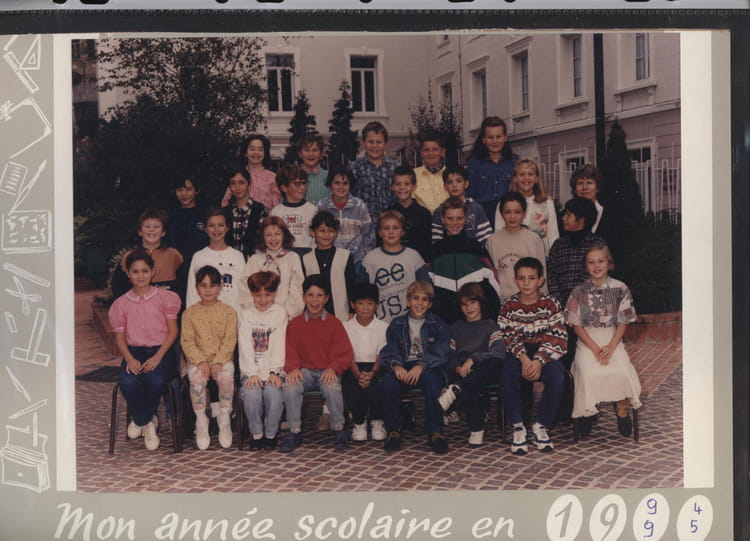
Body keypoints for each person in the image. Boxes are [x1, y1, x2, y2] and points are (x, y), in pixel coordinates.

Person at [564, 246, 641, 438]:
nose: (596, 266)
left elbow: (623, 321)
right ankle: (587, 412)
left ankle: (621, 409)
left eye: (601, 261)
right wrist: (595, 349)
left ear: (608, 263)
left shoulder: (620, 288)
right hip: (587, 343)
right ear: (585, 266)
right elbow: (575, 325)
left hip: (612, 341)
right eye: (591, 262)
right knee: (588, 373)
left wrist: (611, 346)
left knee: (621, 371)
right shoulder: (578, 291)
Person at [108, 249, 181, 451]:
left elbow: (173, 331)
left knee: (155, 380)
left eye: (145, 271)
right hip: (134, 352)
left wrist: (158, 357)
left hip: (162, 352)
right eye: (135, 271)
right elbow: (119, 337)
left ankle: (140, 419)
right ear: (128, 274)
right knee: (128, 382)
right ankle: (147, 421)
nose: (140, 276)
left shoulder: (166, 298)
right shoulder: (121, 304)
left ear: (153, 272)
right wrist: (129, 359)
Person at [497, 257, 567, 455]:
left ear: (540, 280)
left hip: (545, 350)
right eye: (521, 278)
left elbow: (557, 336)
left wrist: (539, 361)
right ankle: (518, 426)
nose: (526, 283)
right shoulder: (508, 306)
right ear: (515, 280)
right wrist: (524, 358)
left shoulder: (551, 304)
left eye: (531, 278)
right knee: (507, 376)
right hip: (519, 352)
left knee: (557, 376)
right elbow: (508, 336)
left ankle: (542, 425)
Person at [279, 275, 354, 452]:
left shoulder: (335, 324)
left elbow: (344, 352)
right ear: (303, 297)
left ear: (326, 298)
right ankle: (294, 431)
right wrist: (293, 368)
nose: (314, 300)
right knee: (290, 386)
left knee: (332, 387)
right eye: (310, 295)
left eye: (319, 295)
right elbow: (289, 349)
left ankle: (339, 429)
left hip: (327, 371)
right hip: (304, 371)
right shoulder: (295, 324)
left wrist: (333, 368)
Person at [378, 281, 450, 454]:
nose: (420, 303)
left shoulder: (438, 324)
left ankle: (435, 431)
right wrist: (396, 365)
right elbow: (390, 349)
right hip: (403, 364)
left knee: (433, 382)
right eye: (415, 298)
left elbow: (441, 352)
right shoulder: (397, 324)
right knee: (387, 382)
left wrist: (422, 365)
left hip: (428, 366)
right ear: (408, 301)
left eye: (425, 299)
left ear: (430, 304)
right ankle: (393, 430)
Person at [438, 282, 505, 447]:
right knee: (469, 383)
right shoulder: (455, 328)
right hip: (463, 371)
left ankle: (457, 392)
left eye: (473, 302)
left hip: (486, 370)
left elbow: (498, 352)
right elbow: (449, 354)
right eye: (464, 304)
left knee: (483, 368)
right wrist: (457, 367)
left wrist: (474, 359)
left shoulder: (491, 326)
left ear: (481, 303)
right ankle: (476, 427)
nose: (469, 308)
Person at [181, 265, 238, 450]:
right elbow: (187, 342)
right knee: (197, 378)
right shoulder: (189, 313)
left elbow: (230, 340)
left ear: (220, 287)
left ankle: (224, 418)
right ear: (197, 287)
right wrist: (201, 361)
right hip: (198, 361)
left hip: (223, 360)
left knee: (226, 377)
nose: (208, 290)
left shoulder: (229, 312)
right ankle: (201, 420)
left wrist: (219, 361)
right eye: (203, 285)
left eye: (212, 285)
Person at [429, 196, 501, 325]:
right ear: (442, 219)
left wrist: (489, 319)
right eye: (450, 218)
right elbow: (428, 290)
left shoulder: (476, 248)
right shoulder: (434, 251)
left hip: (475, 321)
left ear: (466, 219)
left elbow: (492, 287)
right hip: (444, 323)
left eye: (459, 218)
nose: (455, 222)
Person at [238, 271, 288, 450]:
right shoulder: (245, 314)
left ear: (274, 293)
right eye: (258, 295)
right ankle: (257, 434)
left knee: (274, 393)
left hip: (274, 370)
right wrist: (252, 373)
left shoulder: (280, 313)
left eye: (267, 295)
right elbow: (244, 345)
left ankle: (271, 434)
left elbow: (279, 344)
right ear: (251, 294)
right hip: (251, 370)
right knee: (251, 393)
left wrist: (274, 371)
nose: (263, 300)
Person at [362, 210, 429, 322]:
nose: (391, 232)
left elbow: (425, 289)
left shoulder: (414, 257)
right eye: (386, 228)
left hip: (409, 320)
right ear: (379, 232)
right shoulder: (370, 259)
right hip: (381, 321)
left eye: (396, 228)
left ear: (403, 231)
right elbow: (363, 293)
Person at [342, 283, 389, 442]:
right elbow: (347, 354)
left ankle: (377, 420)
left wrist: (371, 373)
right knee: (351, 384)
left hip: (376, 367)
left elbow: (382, 355)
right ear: (352, 304)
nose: (365, 308)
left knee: (381, 382)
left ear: (377, 305)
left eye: (370, 304)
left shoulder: (383, 327)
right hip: (353, 367)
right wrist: (358, 375)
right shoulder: (345, 327)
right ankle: (359, 422)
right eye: (360, 303)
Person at [485, 192, 548, 302]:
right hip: (501, 301)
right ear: (501, 214)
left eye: (517, 212)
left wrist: (543, 301)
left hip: (529, 301)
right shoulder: (492, 241)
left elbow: (542, 273)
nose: (512, 217)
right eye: (508, 212)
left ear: (524, 213)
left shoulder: (533, 239)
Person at [239, 216, 304, 318]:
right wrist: (257, 310)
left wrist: (284, 313)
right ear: (262, 237)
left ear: (284, 235)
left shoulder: (292, 258)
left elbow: (296, 290)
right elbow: (245, 289)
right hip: (257, 315)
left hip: (284, 316)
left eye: (277, 234)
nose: (273, 238)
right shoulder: (255, 259)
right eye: (268, 235)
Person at [547, 197, 607, 307]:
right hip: (561, 307)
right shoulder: (558, 245)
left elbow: (598, 277)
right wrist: (561, 304)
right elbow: (552, 277)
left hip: (589, 306)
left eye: (568, 215)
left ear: (581, 220)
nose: (563, 218)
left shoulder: (597, 244)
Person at [113, 208, 184, 299]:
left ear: (163, 232)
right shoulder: (129, 257)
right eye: (147, 226)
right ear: (140, 231)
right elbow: (118, 287)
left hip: (167, 304)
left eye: (156, 227)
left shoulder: (174, 255)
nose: (151, 230)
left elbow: (183, 283)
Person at [185, 208, 245, 312]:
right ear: (205, 229)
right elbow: (191, 292)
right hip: (205, 316)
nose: (216, 229)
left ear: (227, 228)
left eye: (221, 225)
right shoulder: (199, 256)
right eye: (211, 225)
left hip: (232, 315)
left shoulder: (237, 256)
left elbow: (244, 291)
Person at [496, 158, 559, 254]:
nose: (526, 178)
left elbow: (553, 234)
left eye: (530, 174)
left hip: (541, 256)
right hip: (513, 255)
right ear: (515, 179)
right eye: (522, 174)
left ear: (536, 178)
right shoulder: (504, 203)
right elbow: (499, 233)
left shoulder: (547, 202)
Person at [302, 210, 357, 321]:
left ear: (336, 233)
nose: (326, 235)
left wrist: (352, 311)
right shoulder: (305, 259)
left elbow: (351, 285)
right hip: (315, 314)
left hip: (341, 313)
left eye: (330, 231)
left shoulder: (345, 256)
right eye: (322, 230)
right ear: (312, 232)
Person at [317, 165, 375, 266]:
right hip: (329, 260)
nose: (341, 187)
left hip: (357, 260)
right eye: (337, 183)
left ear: (350, 185)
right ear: (330, 185)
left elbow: (368, 235)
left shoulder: (360, 206)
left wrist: (367, 260)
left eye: (345, 183)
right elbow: (316, 234)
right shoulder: (322, 206)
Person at [467, 116, 519, 228]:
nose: (495, 141)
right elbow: (469, 195)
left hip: (509, 219)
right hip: (483, 220)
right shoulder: (474, 164)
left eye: (498, 136)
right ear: (484, 140)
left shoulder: (515, 162)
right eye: (490, 137)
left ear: (505, 138)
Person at [164, 175, 208, 297]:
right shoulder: (170, 215)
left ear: (197, 191)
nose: (184, 194)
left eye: (188, 189)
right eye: (180, 190)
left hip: (200, 268)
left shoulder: (204, 214)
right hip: (176, 270)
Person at [430, 165, 492, 243]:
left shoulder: (476, 208)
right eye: (449, 182)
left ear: (466, 184)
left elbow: (486, 238)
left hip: (473, 249)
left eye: (459, 181)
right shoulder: (440, 211)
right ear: (445, 186)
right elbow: (436, 241)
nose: (454, 185)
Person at [350, 121, 397, 220]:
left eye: (379, 142)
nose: (375, 146)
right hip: (362, 223)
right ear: (363, 143)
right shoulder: (355, 168)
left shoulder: (394, 168)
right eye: (371, 142)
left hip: (389, 223)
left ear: (385, 144)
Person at [222, 135, 281, 213]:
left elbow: (277, 206)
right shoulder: (238, 176)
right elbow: (226, 202)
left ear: (265, 153)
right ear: (245, 153)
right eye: (252, 149)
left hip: (265, 219)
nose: (256, 152)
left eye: (260, 149)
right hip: (241, 218)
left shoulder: (273, 178)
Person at [386, 165, 432, 262]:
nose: (402, 187)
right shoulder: (387, 214)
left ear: (414, 186)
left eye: (407, 184)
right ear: (393, 187)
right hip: (393, 261)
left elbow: (427, 244)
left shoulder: (424, 214)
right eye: (398, 184)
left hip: (418, 262)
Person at [270, 163, 318, 252]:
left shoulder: (313, 210)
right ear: (284, 188)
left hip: (307, 254)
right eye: (297, 184)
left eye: (304, 183)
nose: (303, 187)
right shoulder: (276, 212)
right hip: (283, 255)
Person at [225, 164, 268, 260]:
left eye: (241, 183)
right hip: (230, 263)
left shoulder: (260, 211)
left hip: (253, 263)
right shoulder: (226, 212)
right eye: (233, 183)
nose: (237, 187)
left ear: (249, 185)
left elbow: (264, 243)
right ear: (229, 187)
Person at [412, 133, 449, 214]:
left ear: (443, 152)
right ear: (421, 153)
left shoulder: (451, 175)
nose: (431, 153)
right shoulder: (413, 175)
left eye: (435, 149)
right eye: (426, 150)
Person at [297, 133, 330, 204]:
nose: (311, 154)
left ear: (321, 154)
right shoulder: (292, 177)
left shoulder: (330, 176)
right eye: (306, 150)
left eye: (315, 150)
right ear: (300, 154)